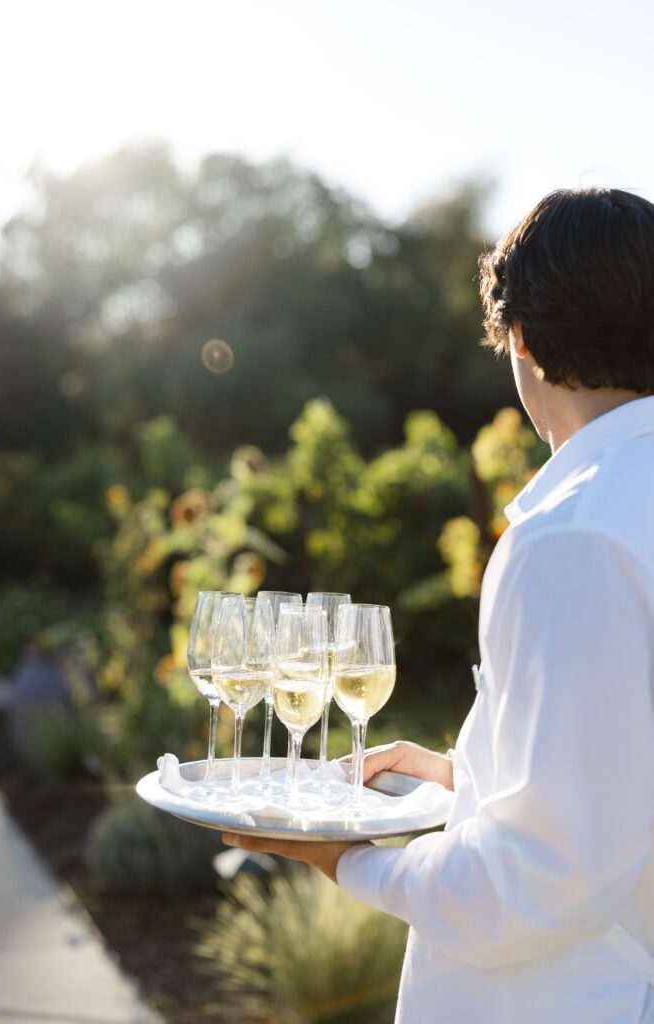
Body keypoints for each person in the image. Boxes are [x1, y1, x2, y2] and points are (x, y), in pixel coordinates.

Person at [222, 188, 654, 1023]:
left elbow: (538, 884)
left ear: (520, 337)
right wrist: (472, 782)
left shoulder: (575, 533)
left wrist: (347, 859)